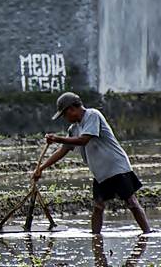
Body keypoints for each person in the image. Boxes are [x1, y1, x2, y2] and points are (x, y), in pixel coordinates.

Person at [32, 92, 152, 234]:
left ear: (72, 109)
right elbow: (63, 150)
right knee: (98, 206)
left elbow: (84, 140)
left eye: (64, 114)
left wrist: (57, 138)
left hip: (116, 167)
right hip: (100, 172)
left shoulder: (92, 115)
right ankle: (95, 236)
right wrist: (41, 168)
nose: (65, 118)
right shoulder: (74, 128)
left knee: (131, 202)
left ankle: (147, 233)